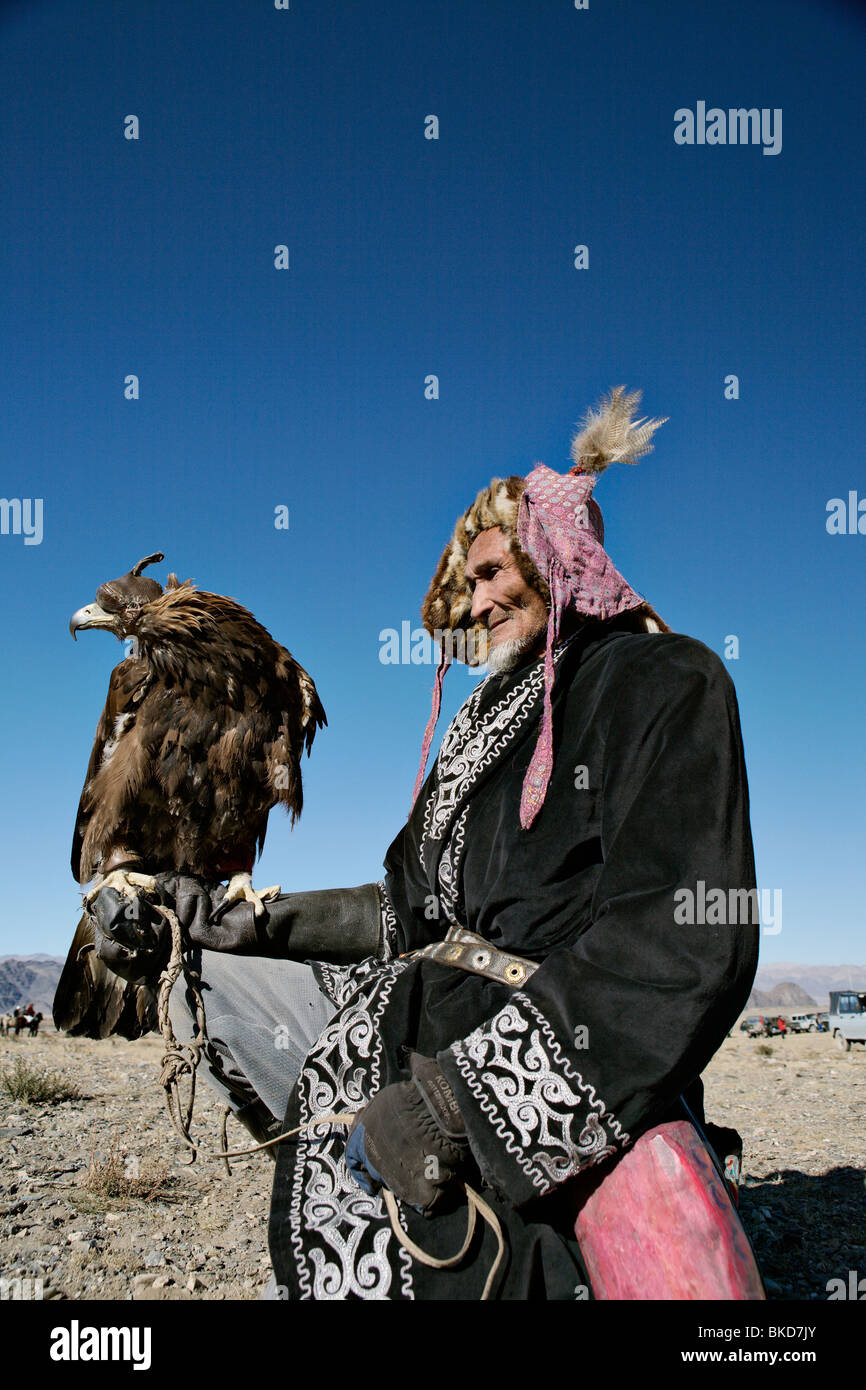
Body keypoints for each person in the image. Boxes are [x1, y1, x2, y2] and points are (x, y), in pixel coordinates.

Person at [87, 387, 759, 1300]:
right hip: (413, 1016)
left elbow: (684, 939)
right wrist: (229, 920)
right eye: (466, 585)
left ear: (560, 553)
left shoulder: (662, 681)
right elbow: (399, 909)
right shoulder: (478, 735)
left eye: (491, 573)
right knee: (200, 957)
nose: (475, 603)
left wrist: (456, 1106)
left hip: (557, 1049)